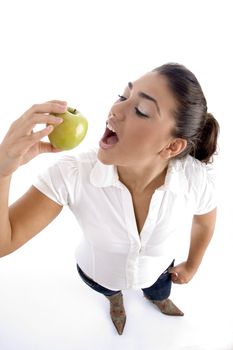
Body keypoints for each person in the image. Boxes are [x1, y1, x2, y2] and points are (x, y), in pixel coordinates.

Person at [0, 63, 219, 335]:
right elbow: (3, 243)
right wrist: (3, 170)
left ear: (172, 146)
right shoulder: (72, 174)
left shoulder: (195, 180)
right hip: (98, 274)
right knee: (108, 288)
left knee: (158, 289)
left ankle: (159, 299)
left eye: (141, 110)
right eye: (123, 96)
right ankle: (115, 301)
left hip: (160, 273)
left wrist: (192, 267)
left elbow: (205, 222)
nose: (115, 110)